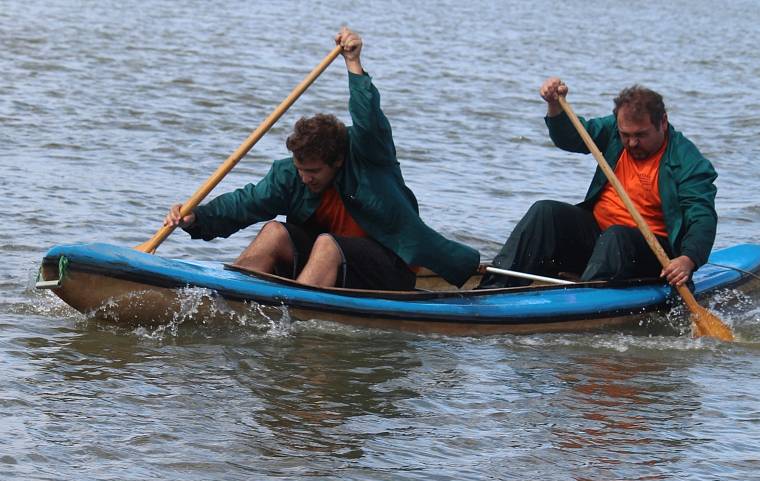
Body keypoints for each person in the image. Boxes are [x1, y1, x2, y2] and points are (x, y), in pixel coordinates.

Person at [165, 28, 479, 290]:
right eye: (301, 169)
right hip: (329, 267)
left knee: (329, 244)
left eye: (313, 172)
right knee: (274, 232)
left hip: (389, 271)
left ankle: (290, 319)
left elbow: (368, 118)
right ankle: (224, 299)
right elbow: (244, 204)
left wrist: (353, 63)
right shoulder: (291, 175)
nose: (305, 178)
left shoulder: (369, 157)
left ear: (337, 162)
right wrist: (196, 218)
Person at [478, 78, 718, 289]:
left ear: (663, 123)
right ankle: (494, 288)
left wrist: (687, 260)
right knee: (545, 211)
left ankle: (585, 297)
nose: (632, 143)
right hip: (598, 240)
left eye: (641, 135)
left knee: (617, 237)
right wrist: (554, 105)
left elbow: (702, 218)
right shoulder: (613, 131)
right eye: (626, 135)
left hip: (648, 253)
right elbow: (571, 137)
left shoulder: (688, 162)